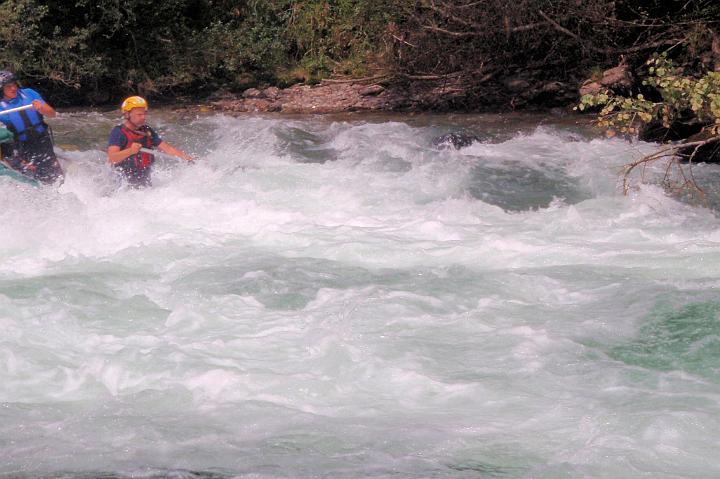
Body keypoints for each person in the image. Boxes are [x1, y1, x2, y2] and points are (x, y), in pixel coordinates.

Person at [107, 96, 194, 188]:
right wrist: (131, 151)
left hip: (145, 182)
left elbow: (167, 149)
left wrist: (187, 158)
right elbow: (112, 158)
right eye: (139, 115)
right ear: (127, 114)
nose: (143, 117)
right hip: (123, 186)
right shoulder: (118, 132)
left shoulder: (147, 131)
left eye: (144, 114)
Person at [0, 70, 64, 184]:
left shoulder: (29, 93)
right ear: (1, 89)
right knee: (35, 174)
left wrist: (41, 108)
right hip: (22, 145)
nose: (13, 88)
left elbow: (52, 113)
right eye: (8, 86)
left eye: (14, 84)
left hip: (42, 139)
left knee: (55, 172)